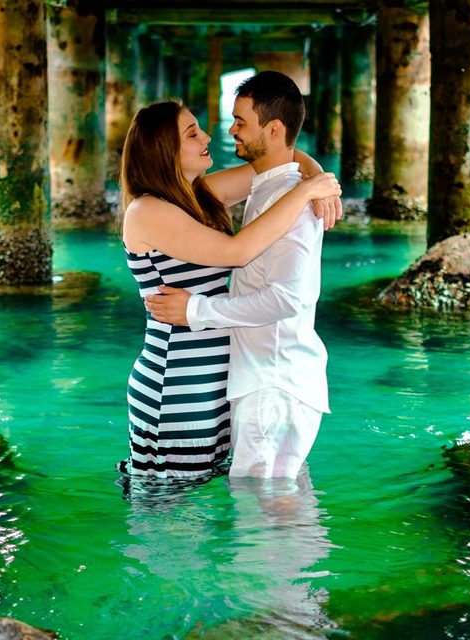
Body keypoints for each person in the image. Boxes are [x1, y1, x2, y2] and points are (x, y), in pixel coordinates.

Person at [119, 99, 341, 479]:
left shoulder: (198, 194)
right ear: (163, 151)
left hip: (215, 381)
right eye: (192, 134)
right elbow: (237, 252)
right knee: (169, 505)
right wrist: (306, 192)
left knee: (198, 501)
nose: (207, 137)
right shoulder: (146, 211)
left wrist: (320, 183)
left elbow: (281, 160)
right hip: (177, 382)